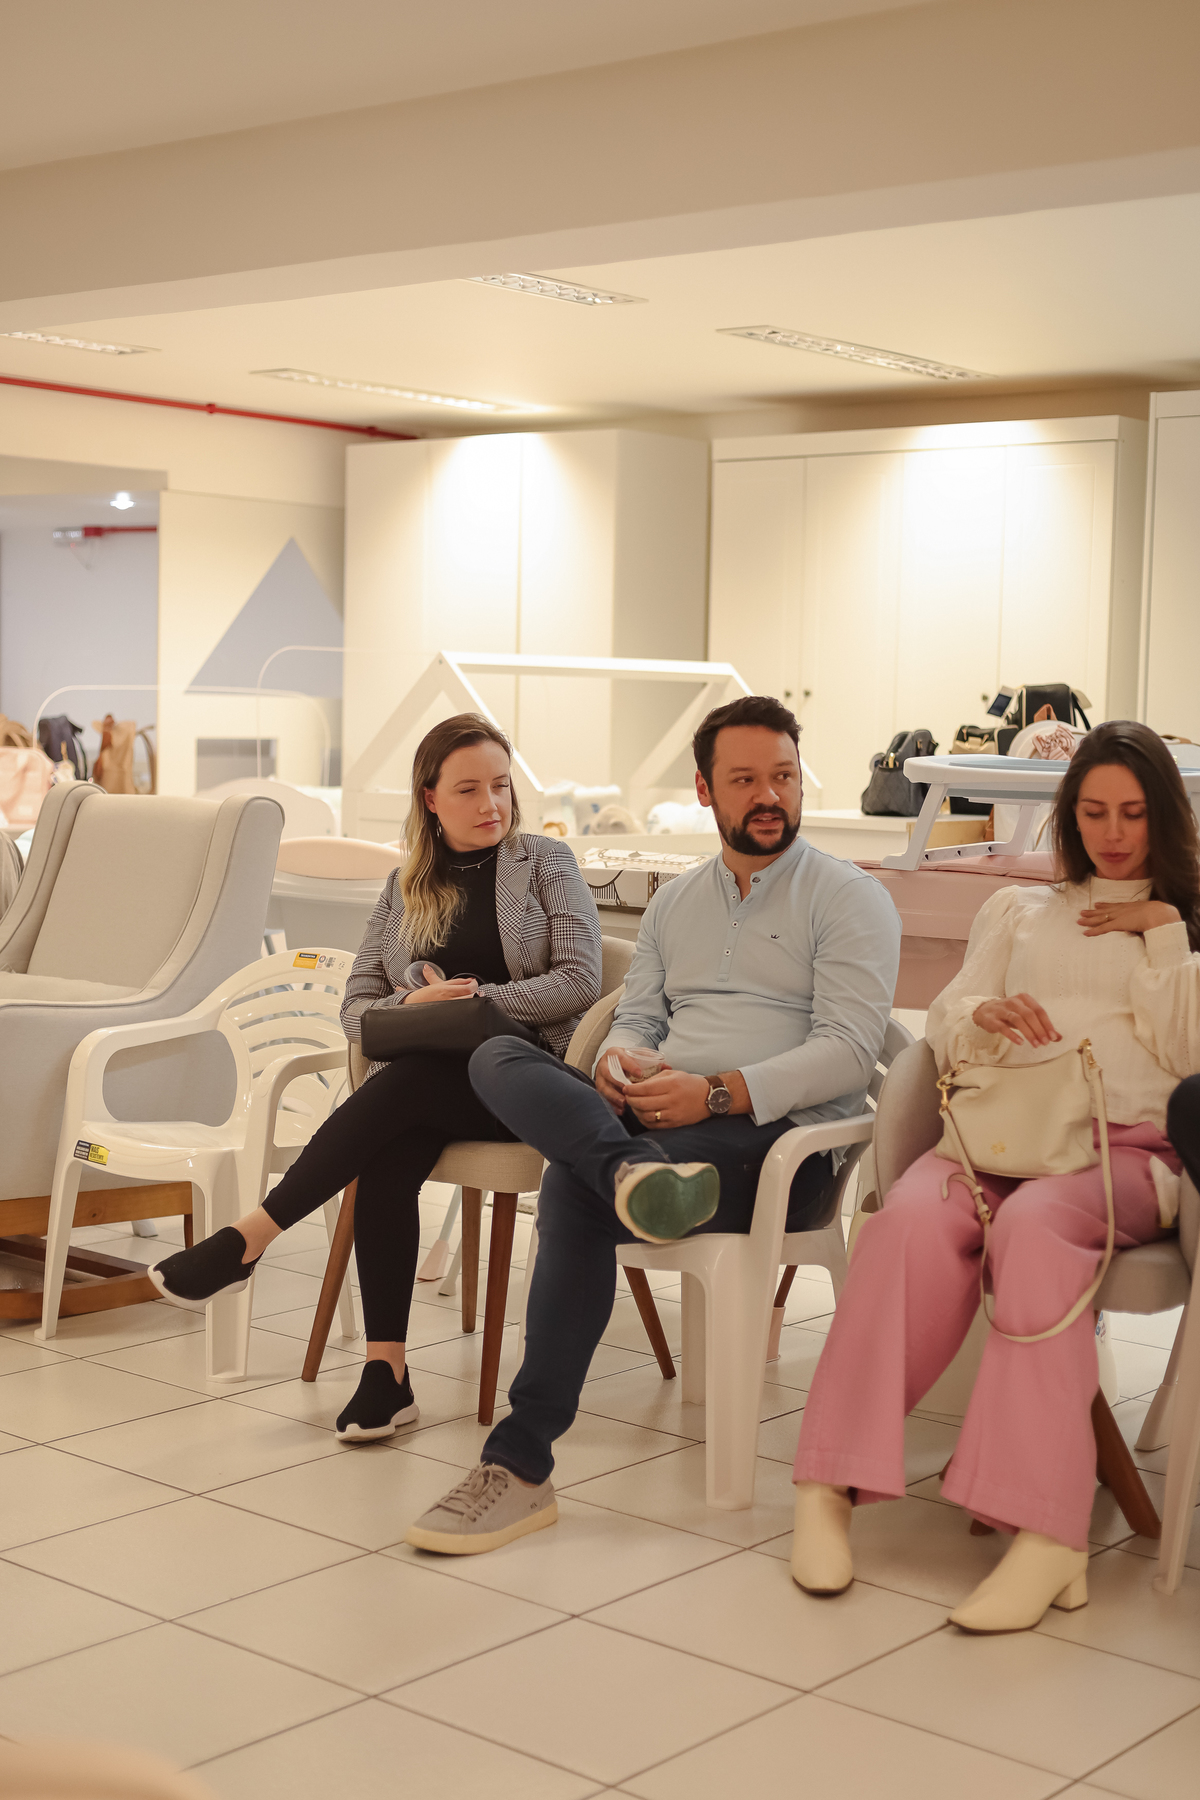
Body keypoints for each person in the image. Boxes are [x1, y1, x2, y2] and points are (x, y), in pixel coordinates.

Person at [404, 694, 901, 1555]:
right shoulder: (679, 904)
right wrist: (618, 1063)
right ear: (705, 790)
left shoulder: (848, 897)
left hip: (781, 1146)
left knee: (572, 1184)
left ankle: (519, 1464)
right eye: (744, 780)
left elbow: (852, 1053)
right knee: (493, 1054)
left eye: (783, 776)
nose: (768, 795)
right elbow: (637, 1015)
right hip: (660, 1129)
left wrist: (717, 1093)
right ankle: (631, 1172)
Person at [792, 719, 1200, 1633]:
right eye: (1094, 811)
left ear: (1166, 817)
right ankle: (829, 1485)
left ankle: (1047, 1533)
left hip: (1125, 1155)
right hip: (999, 1139)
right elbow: (944, 1020)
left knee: (1036, 1231)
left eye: (1134, 813)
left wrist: (1166, 933)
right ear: (1070, 814)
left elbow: (1189, 1056)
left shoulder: (1186, 924)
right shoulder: (1018, 911)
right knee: (903, 1222)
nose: (1113, 832)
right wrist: (985, 1012)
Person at [149, 713, 601, 1440]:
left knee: (407, 1090)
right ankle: (386, 1374)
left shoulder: (547, 863)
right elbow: (356, 1007)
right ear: (430, 798)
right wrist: (415, 1005)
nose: (491, 804)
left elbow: (578, 982)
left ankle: (249, 1239)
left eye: (500, 785)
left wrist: (476, 1003)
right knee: (392, 1141)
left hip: (523, 1083)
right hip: (426, 1087)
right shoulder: (404, 885)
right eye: (468, 789)